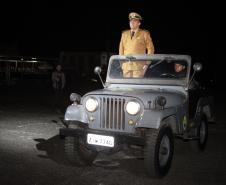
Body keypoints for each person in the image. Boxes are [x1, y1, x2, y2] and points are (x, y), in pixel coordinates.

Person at [119, 12, 155, 77]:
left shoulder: (144, 34)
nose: (132, 22)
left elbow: (151, 49)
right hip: (126, 67)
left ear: (139, 23)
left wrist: (147, 64)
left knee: (136, 86)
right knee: (126, 86)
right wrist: (121, 64)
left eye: (135, 21)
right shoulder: (124, 34)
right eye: (131, 21)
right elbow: (121, 49)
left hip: (138, 67)